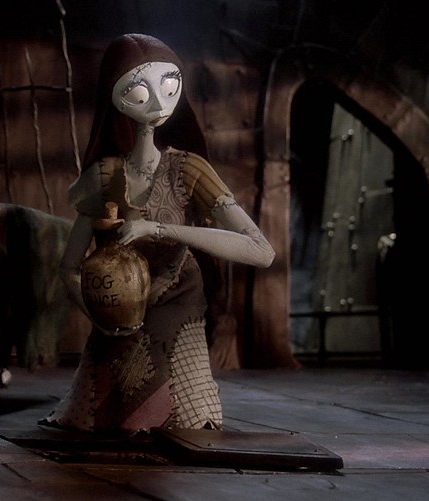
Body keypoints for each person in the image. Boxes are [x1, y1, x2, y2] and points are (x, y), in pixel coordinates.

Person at [42, 33, 274, 433]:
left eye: (169, 86)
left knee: (187, 418)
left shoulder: (188, 170)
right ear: (115, 98)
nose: (157, 103)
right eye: (138, 91)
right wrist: (97, 312)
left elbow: (261, 250)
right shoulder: (104, 177)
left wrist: (162, 228)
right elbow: (69, 268)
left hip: (177, 304)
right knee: (97, 418)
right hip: (118, 312)